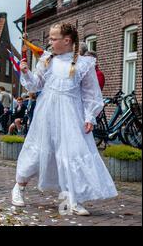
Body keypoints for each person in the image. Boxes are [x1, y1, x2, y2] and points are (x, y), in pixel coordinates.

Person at [11, 23, 117, 216]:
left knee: (73, 152)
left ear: (66, 40)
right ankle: (19, 187)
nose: (49, 42)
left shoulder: (84, 64)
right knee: (38, 150)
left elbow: (91, 93)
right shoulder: (47, 60)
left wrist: (89, 116)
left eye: (53, 39)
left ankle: (73, 198)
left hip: (71, 114)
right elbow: (35, 86)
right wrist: (25, 72)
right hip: (47, 113)